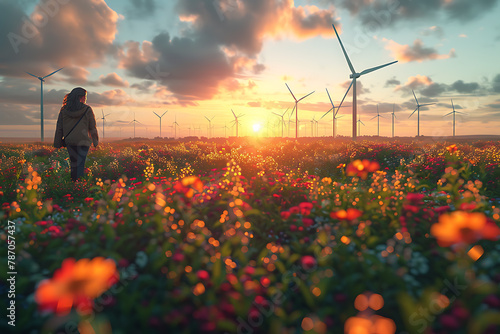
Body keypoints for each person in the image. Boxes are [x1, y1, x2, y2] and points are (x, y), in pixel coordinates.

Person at [53, 87, 99, 181]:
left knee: (74, 164)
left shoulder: (64, 110)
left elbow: (59, 128)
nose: (85, 99)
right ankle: (79, 185)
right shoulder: (87, 109)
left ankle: (73, 183)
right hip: (83, 141)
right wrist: (95, 141)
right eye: (85, 97)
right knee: (80, 165)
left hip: (70, 141)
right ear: (81, 97)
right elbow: (92, 127)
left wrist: (57, 143)